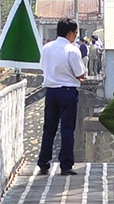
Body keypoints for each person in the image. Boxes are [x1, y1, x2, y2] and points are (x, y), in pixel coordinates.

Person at [37, 18, 87, 175]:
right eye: (76, 32)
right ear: (70, 32)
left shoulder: (47, 48)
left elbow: (42, 68)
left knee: (49, 128)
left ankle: (44, 163)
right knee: (67, 128)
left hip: (51, 92)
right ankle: (65, 165)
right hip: (67, 92)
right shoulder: (72, 50)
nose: (76, 35)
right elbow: (80, 74)